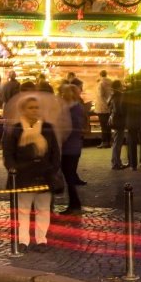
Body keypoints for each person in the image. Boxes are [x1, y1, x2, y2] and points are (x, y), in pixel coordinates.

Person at [3, 95, 59, 252]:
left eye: (36, 107)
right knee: (23, 209)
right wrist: (13, 168)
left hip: (44, 174)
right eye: (30, 107)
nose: (34, 110)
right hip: (23, 175)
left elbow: (55, 152)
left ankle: (42, 240)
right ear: (23, 109)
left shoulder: (47, 127)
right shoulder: (16, 129)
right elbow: (8, 153)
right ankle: (23, 240)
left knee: (43, 209)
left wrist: (53, 169)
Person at [56, 82, 85, 214]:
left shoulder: (73, 109)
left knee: (69, 176)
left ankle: (75, 204)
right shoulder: (73, 108)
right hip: (72, 147)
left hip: (69, 148)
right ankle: (74, 204)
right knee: (69, 175)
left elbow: (70, 129)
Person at [96, 70, 113, 147]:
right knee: (108, 126)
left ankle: (104, 142)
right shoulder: (111, 82)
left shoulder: (100, 83)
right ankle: (109, 142)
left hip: (102, 107)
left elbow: (100, 95)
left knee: (103, 126)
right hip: (110, 106)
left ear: (100, 74)